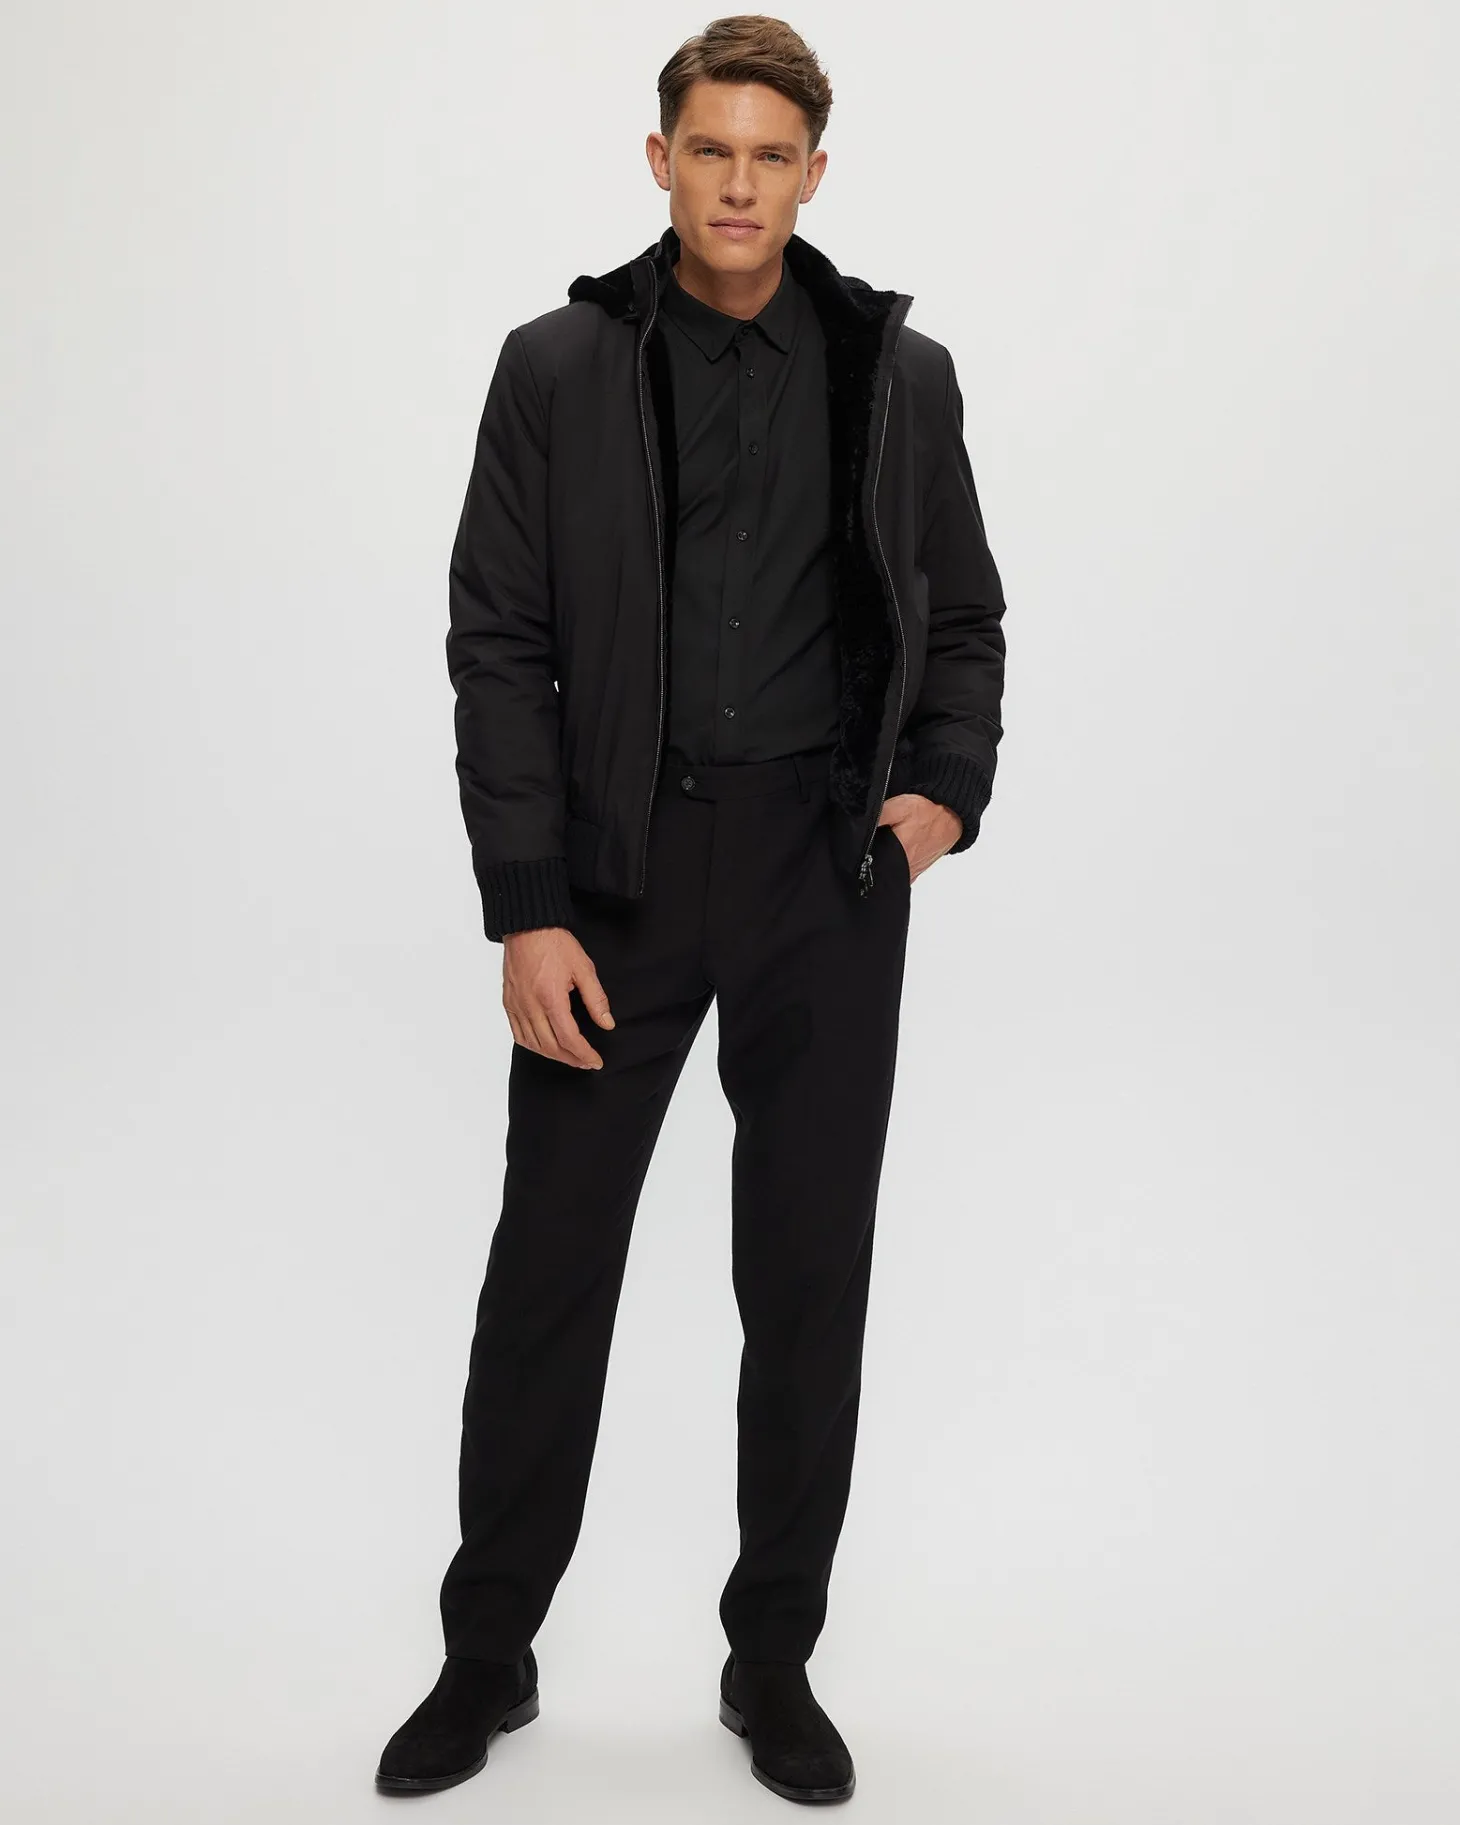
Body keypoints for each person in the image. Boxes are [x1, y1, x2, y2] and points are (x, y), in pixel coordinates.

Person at [375, 13, 1007, 1805]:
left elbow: (965, 611)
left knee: (807, 1284)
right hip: (617, 884)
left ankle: (772, 1663)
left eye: (770, 157)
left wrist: (943, 795)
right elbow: (497, 641)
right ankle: (485, 1660)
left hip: (827, 877)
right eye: (709, 152)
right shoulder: (557, 368)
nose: (739, 186)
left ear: (816, 173)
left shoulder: (903, 375)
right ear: (660, 162)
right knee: (549, 1276)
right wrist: (528, 905)